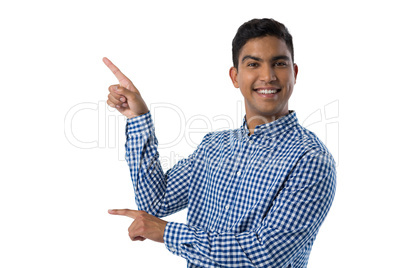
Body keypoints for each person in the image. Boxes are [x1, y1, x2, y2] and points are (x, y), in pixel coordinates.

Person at [104, 18, 336, 267]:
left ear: (294, 73)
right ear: (235, 76)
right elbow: (156, 202)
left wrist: (168, 233)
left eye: (279, 63)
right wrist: (138, 119)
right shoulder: (214, 146)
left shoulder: (311, 159)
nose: (267, 76)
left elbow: (265, 254)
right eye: (253, 64)